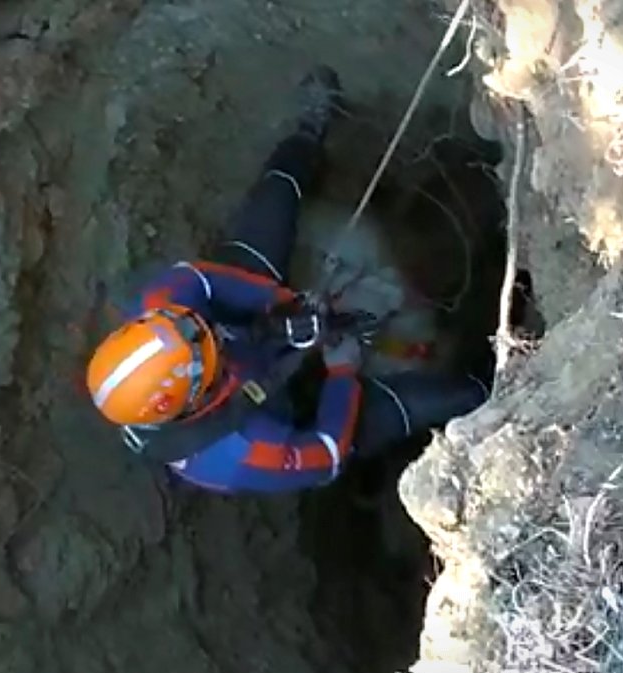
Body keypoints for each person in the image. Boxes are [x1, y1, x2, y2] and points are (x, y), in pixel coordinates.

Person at [85, 66, 489, 494]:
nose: (212, 333)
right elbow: (327, 453)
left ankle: (308, 133)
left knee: (272, 206)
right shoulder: (244, 453)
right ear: (195, 400)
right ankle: (499, 391)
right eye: (210, 345)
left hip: (259, 331)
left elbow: (204, 283)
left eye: (204, 330)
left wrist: (286, 305)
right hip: (295, 409)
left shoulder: (166, 306)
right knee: (432, 401)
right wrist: (341, 371)